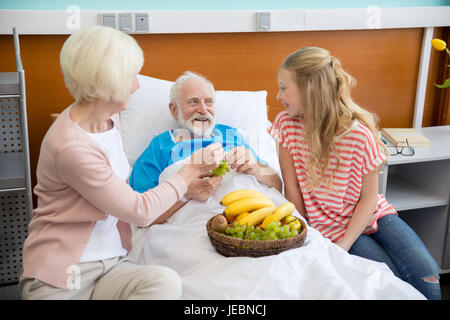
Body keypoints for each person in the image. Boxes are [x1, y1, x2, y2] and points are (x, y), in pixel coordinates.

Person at [19, 26, 224, 300]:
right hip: (62, 278)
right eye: (131, 76)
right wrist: (191, 170)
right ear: (107, 82)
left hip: (110, 268)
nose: (137, 85)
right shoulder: (72, 146)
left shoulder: (109, 121)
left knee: (164, 282)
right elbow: (139, 210)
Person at [269, 46, 441, 300]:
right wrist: (308, 235)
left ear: (310, 89)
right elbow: (292, 188)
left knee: (427, 272)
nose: (277, 95)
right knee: (389, 278)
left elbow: (369, 198)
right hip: (328, 225)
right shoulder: (286, 125)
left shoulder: (359, 135)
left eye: (284, 87)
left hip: (370, 213)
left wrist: (346, 244)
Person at [129, 71, 282, 223]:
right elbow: (140, 214)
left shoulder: (232, 134)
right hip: (192, 228)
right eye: (193, 102)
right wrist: (185, 195)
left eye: (208, 102)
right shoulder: (160, 146)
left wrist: (256, 168)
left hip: (253, 220)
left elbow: (277, 184)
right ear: (174, 110)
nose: (203, 110)